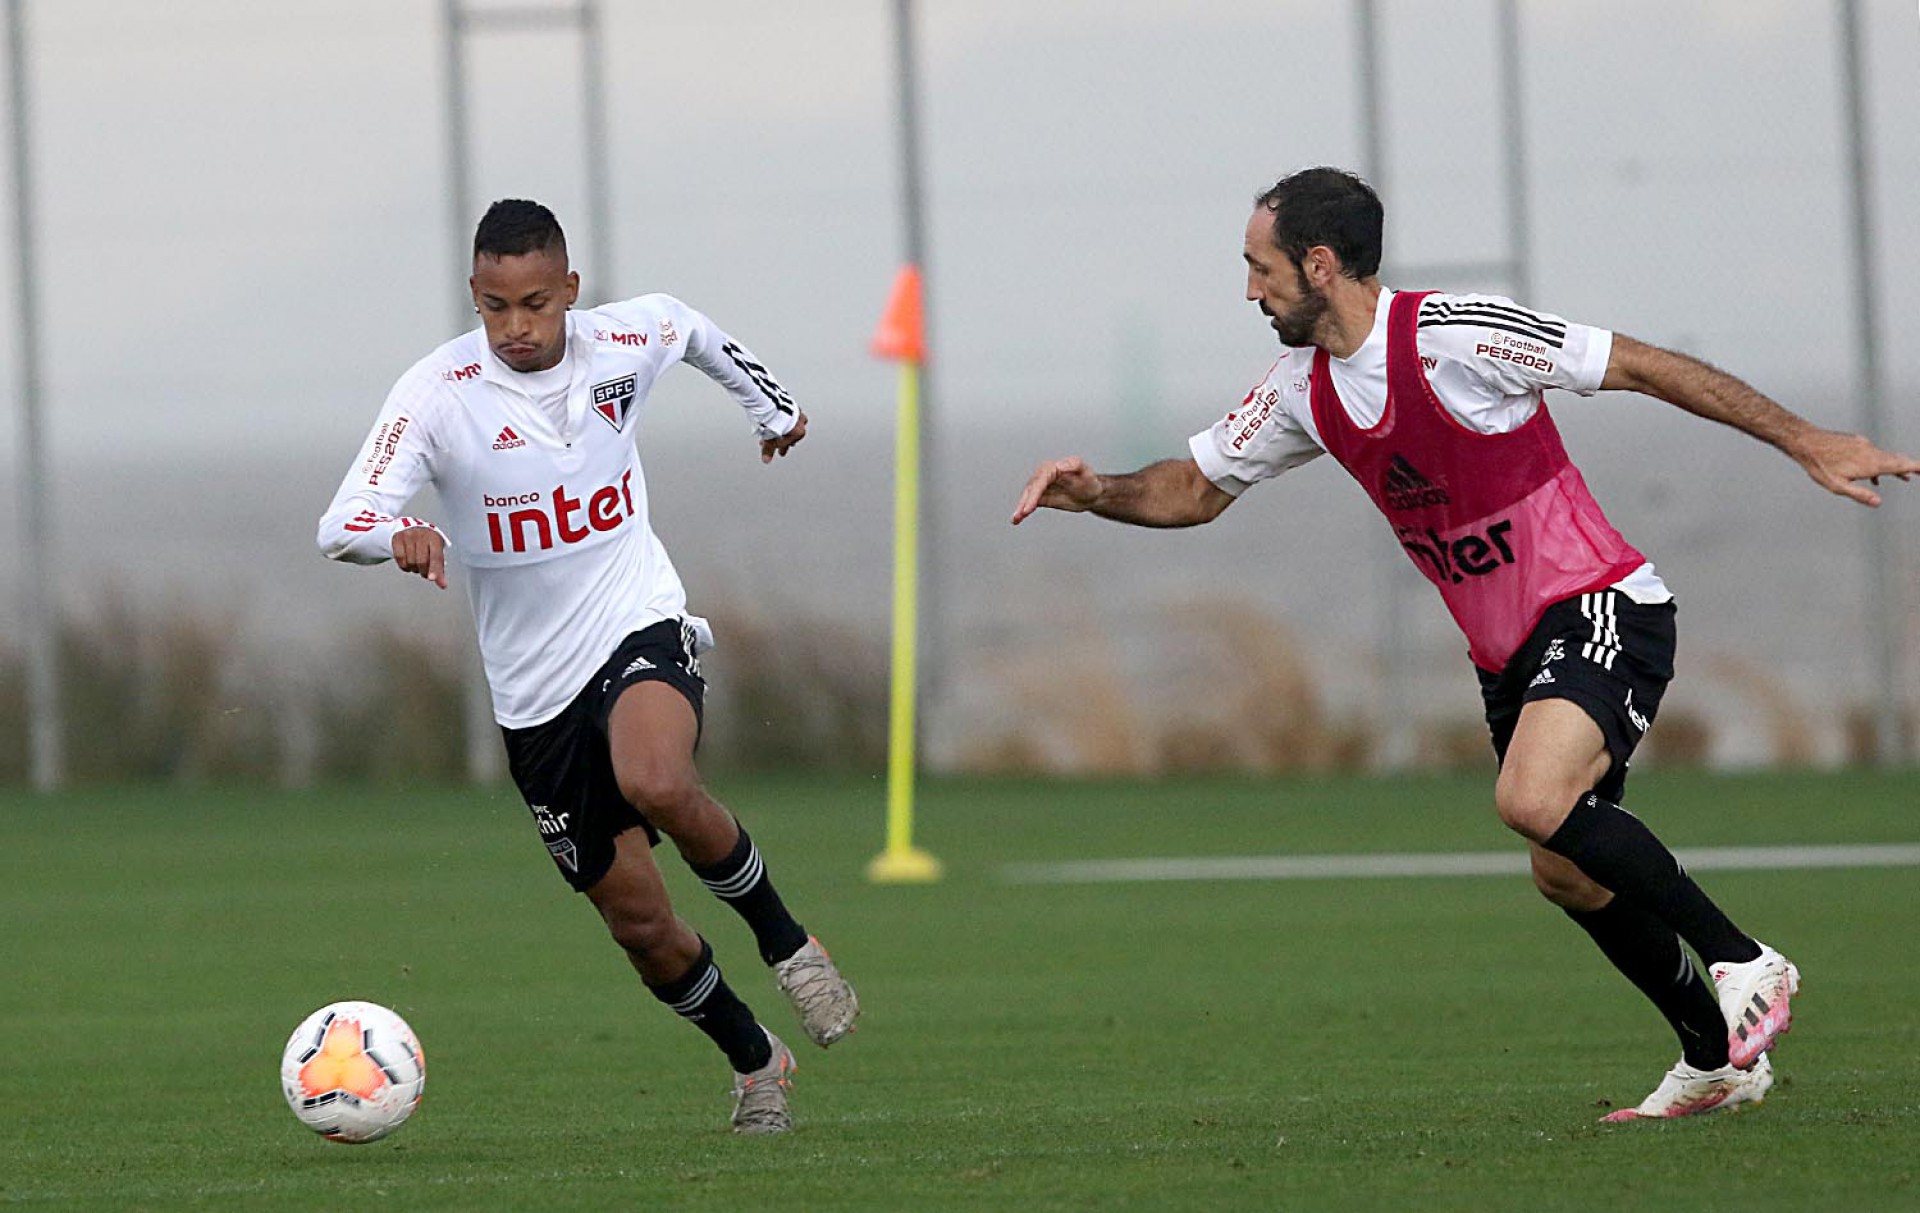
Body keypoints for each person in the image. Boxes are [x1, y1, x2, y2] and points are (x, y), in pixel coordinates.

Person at [1012, 166, 1919, 1121]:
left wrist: (1805, 439)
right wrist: (1096, 492)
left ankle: (1745, 960)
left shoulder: (1457, 335)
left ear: (1319, 265)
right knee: (1564, 865)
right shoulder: (1298, 391)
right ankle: (1717, 1055)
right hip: (1510, 656)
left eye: (1260, 267)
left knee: (1531, 797)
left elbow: (1643, 364)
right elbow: (1193, 489)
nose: (1249, 290)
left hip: (1602, 602)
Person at [318, 199, 858, 1135]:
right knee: (642, 927)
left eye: (535, 303)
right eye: (495, 307)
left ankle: (788, 942)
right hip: (535, 697)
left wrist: (771, 405)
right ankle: (755, 1059)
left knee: (655, 776)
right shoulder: (436, 393)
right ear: (474, 298)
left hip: (636, 620)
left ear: (570, 289)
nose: (516, 328)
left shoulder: (623, 337)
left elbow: (687, 326)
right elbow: (343, 520)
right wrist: (396, 534)